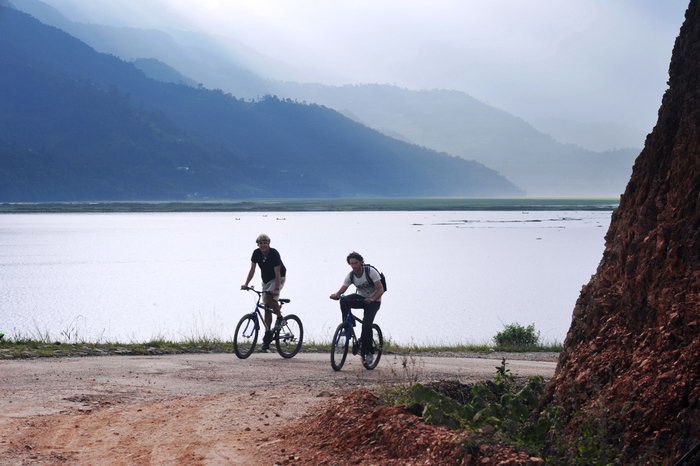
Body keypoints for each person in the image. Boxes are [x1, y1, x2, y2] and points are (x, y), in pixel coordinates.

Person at [330, 251, 384, 366]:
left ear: (361, 262)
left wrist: (372, 299)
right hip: (361, 299)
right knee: (344, 300)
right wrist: (336, 294)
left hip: (374, 301)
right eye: (351, 264)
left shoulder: (371, 272)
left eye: (356, 263)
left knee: (366, 325)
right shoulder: (351, 275)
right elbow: (342, 289)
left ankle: (369, 352)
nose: (354, 266)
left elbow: (381, 289)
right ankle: (347, 325)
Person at [241, 233, 286, 352]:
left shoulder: (274, 253)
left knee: (270, 297)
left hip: (278, 278)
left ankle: (280, 318)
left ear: (268, 243)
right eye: (261, 243)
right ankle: (267, 332)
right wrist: (246, 284)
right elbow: (252, 269)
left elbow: (277, 271)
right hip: (265, 280)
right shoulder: (256, 253)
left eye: (265, 243)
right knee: (266, 307)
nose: (263, 245)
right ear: (258, 244)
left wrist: (277, 288)